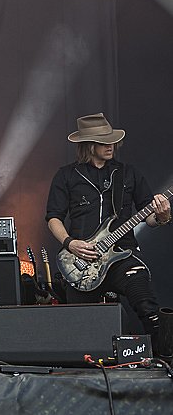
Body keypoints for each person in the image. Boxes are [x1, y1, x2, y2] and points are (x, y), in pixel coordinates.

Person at [46, 113, 171, 347]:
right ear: (88, 144)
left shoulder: (128, 173)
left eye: (112, 141)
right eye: (103, 142)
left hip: (122, 255)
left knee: (147, 305)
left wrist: (163, 216)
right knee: (81, 330)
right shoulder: (66, 176)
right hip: (83, 259)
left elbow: (150, 217)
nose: (110, 146)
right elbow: (53, 217)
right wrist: (70, 243)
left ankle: (165, 356)